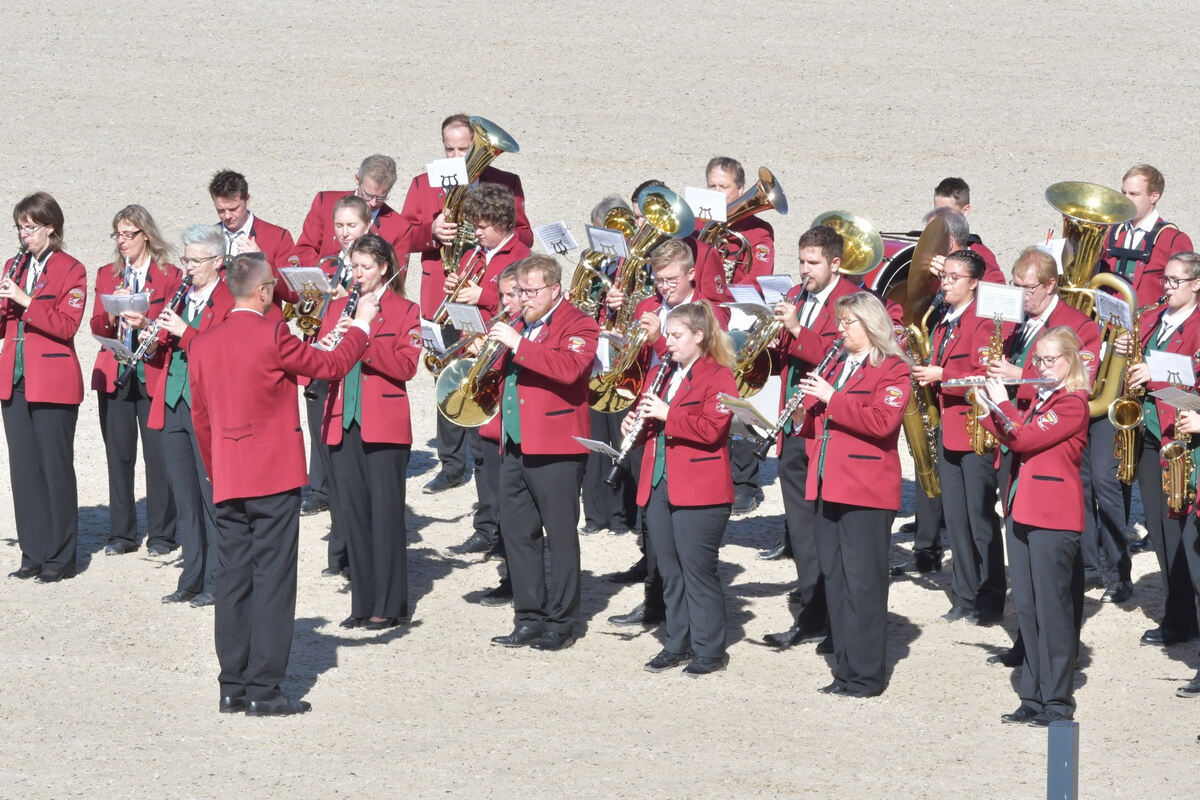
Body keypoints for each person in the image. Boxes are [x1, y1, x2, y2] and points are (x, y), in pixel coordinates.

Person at [188, 252, 377, 716]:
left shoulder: (204, 343)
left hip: (229, 474)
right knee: (272, 579)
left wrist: (216, 470)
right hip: (272, 474)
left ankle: (231, 684)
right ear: (263, 290)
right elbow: (329, 366)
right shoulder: (272, 333)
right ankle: (264, 690)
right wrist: (362, 326)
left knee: (232, 579)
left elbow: (201, 417)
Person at [397, 115, 532, 495]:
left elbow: (525, 234)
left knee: (485, 371)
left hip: (490, 294)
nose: (457, 156)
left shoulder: (505, 183)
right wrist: (431, 232)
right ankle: (452, 463)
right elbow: (405, 235)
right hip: (445, 290)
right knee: (447, 370)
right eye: (449, 149)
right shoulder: (425, 182)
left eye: (463, 149)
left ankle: (485, 455)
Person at [603, 239, 731, 627]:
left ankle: (671, 609)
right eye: (658, 280)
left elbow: (711, 358)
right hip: (651, 414)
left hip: (686, 424)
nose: (664, 287)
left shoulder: (708, 313)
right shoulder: (646, 307)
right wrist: (618, 334)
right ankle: (656, 597)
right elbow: (637, 362)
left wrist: (660, 336)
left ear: (692, 274)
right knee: (652, 517)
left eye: (672, 279)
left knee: (681, 533)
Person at [792, 292, 910, 696]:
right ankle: (844, 668)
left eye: (848, 323)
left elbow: (881, 421)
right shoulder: (839, 365)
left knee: (864, 583)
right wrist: (799, 416)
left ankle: (866, 675)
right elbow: (824, 424)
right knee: (836, 579)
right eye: (840, 322)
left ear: (870, 324)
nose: (840, 330)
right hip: (828, 482)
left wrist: (832, 398)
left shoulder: (893, 369)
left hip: (866, 490)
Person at [487, 255, 599, 652]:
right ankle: (529, 616)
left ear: (555, 290)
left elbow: (569, 369)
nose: (524, 298)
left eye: (532, 291)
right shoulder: (521, 323)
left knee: (561, 537)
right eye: (520, 291)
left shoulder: (580, 324)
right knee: (518, 535)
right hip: (515, 443)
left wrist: (517, 344)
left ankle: (562, 621)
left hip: (557, 447)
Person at [981, 327, 1090, 726]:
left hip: (1054, 516)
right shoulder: (1044, 399)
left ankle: (1057, 701)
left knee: (1053, 609)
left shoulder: (1073, 403)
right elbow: (1013, 439)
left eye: (1050, 360)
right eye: (1038, 360)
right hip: (1022, 510)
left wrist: (1003, 403)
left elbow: (1024, 439)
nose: (1041, 367)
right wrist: (985, 409)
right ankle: (1032, 696)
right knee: (1026, 609)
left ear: (1069, 362)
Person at [762, 225, 862, 650]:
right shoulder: (799, 298)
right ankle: (811, 612)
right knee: (801, 531)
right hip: (793, 427)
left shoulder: (853, 304)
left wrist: (799, 330)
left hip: (829, 431)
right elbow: (784, 362)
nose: (804, 271)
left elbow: (841, 357)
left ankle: (836, 618)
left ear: (835, 264)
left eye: (813, 263)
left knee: (829, 531)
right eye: (801, 262)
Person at [624, 302, 738, 676]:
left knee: (697, 570)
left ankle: (710, 648)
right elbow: (653, 427)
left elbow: (711, 429)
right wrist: (634, 427)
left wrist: (668, 414)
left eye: (676, 336)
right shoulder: (662, 372)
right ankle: (677, 641)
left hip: (700, 488)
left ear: (699, 337)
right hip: (658, 482)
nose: (668, 343)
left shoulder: (718, 376)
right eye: (668, 335)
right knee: (669, 570)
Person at [317, 233, 421, 630]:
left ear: (384, 268)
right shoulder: (336, 309)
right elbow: (324, 363)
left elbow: (407, 367)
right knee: (352, 515)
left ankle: (389, 604)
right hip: (341, 422)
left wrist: (361, 341)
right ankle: (362, 602)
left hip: (385, 427)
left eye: (365, 267)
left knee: (386, 515)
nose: (357, 274)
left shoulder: (405, 310)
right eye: (353, 267)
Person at [912, 249, 1006, 624]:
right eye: (945, 276)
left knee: (981, 520)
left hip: (975, 430)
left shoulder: (982, 322)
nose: (945, 283)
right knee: (956, 518)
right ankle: (965, 593)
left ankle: (991, 596)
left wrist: (942, 377)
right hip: (949, 429)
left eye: (954, 277)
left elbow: (984, 375)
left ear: (974, 283)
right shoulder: (942, 318)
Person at [0, 192, 87, 583]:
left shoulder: (72, 269)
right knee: (24, 472)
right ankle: (32, 552)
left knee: (55, 470)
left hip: (52, 380)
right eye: (20, 227)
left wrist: (25, 300)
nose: (24, 235)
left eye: (30, 227)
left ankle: (61, 556)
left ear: (51, 227)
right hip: (13, 380)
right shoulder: (12, 266)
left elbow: (67, 326)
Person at [444, 185, 532, 557]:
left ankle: (504, 530)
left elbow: (526, 306)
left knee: (500, 450)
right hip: (473, 355)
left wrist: (480, 295)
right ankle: (486, 525)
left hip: (500, 360)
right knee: (480, 448)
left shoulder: (521, 257)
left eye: (481, 226)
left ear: (499, 222)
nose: (476, 233)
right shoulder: (474, 256)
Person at [150, 224, 234, 606]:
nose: (187, 268)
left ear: (218, 262)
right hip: (172, 402)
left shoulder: (229, 299)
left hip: (206, 407)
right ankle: (191, 576)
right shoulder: (180, 295)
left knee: (209, 496)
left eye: (195, 261)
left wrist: (184, 331)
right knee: (184, 496)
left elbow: (219, 353)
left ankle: (217, 579)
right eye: (185, 259)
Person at [89, 205, 180, 557]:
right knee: (119, 455)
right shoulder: (107, 274)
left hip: (153, 371)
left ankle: (162, 534)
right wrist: (112, 316)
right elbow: (96, 323)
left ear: (146, 235)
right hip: (116, 371)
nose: (122, 241)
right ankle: (122, 533)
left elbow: (172, 321)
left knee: (158, 457)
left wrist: (148, 326)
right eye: (118, 234)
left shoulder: (168, 274)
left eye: (129, 234)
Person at [1121, 252, 1200, 648]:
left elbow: (1193, 389)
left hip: (1183, 437)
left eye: (1175, 281)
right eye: (1165, 280)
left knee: (1184, 531)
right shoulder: (1154, 318)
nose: (1166, 288)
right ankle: (1177, 612)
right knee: (1160, 526)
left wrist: (1154, 376)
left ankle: (1185, 616)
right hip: (1150, 435)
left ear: (1196, 284)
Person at [299, 194, 373, 576]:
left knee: (350, 469)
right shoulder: (329, 267)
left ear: (367, 226)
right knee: (327, 457)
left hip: (353, 369)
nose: (345, 233)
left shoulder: (373, 266)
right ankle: (339, 545)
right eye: (340, 226)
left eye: (352, 226)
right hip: (321, 363)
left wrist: (351, 297)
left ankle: (351, 550)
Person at [1100, 164, 1194, 309]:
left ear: (1154, 196)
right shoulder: (1112, 232)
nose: (1126, 199)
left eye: (1134, 194)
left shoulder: (1174, 239)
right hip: (1105, 324)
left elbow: (1185, 296)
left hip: (1146, 328)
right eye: (1124, 193)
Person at [294, 155, 409, 265]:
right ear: (357, 179)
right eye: (368, 195)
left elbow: (395, 280)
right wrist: (330, 276)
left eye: (381, 197)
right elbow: (304, 249)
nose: (373, 203)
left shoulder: (401, 228)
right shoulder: (325, 203)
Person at [705, 156, 775, 283]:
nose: (716, 192)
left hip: (734, 300)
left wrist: (721, 295)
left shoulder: (759, 231)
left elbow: (758, 280)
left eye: (723, 186)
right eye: (712, 186)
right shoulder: (697, 223)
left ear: (740, 189)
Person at [209, 170, 296, 269]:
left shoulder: (279, 238)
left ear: (247, 199)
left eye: (233, 209)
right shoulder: (205, 238)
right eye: (220, 210)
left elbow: (289, 282)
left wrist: (261, 263)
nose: (227, 216)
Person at [932, 178, 1005, 283]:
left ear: (965, 211)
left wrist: (954, 275)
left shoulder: (981, 254)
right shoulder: (930, 245)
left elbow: (997, 292)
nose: (941, 218)